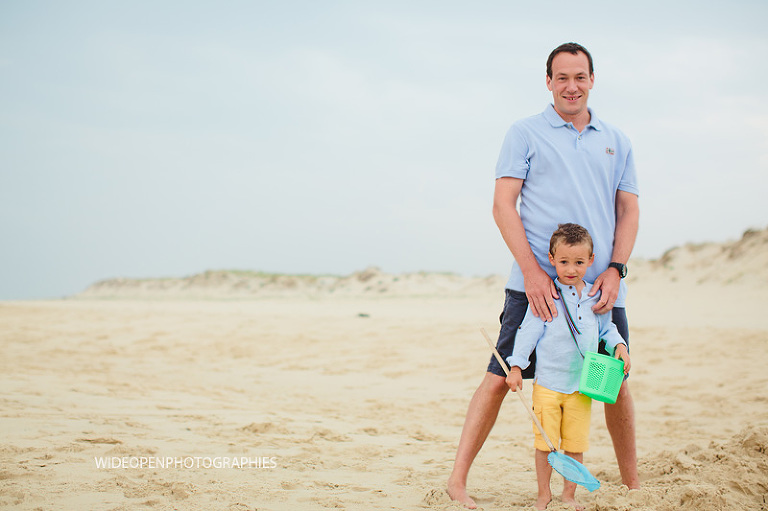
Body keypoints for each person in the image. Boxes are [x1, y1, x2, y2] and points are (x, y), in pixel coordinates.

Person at [447, 42, 640, 509]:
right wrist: (534, 273)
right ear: (549, 82)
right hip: (534, 287)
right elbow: (502, 205)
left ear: (592, 79)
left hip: (597, 289)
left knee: (611, 380)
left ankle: (635, 486)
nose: (571, 86)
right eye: (561, 77)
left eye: (580, 76)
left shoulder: (616, 139)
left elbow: (628, 209)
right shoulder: (525, 133)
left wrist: (614, 269)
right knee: (498, 377)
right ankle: (457, 481)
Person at [505, 223, 631, 510]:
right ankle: (543, 495)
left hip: (581, 388)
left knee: (575, 446)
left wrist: (620, 347)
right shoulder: (547, 294)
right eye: (563, 262)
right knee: (545, 445)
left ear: (590, 260)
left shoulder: (594, 298)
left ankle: (569, 495)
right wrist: (516, 367)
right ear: (552, 260)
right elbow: (527, 333)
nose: (570, 269)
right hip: (548, 385)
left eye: (578, 262)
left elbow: (606, 329)